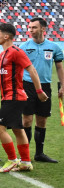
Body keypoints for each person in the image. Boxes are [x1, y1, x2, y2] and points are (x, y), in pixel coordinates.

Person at [0, 23, 48, 173]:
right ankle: (26, 162)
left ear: (6, 36)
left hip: (14, 97)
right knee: (18, 129)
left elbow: (31, 69)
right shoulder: (3, 54)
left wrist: (39, 90)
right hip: (10, 97)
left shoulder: (16, 52)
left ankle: (12, 159)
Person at [19, 17, 64, 163]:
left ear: (43, 29)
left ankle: (39, 154)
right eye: (30, 27)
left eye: (34, 27)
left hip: (45, 86)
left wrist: (63, 85)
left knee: (42, 120)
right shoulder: (24, 46)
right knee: (27, 120)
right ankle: (24, 155)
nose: (31, 30)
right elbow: (18, 68)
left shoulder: (54, 47)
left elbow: (59, 67)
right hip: (27, 85)